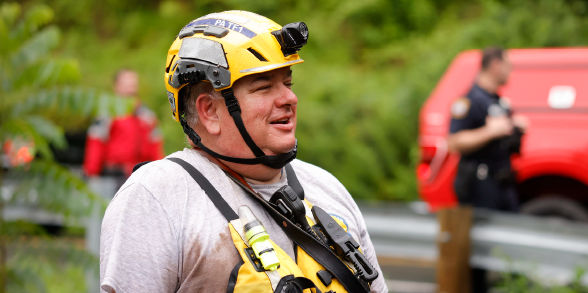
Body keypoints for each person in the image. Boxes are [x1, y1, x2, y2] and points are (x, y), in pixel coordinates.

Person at [99, 10, 387, 293]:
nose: (289, 98)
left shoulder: (326, 188)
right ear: (209, 111)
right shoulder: (157, 199)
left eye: (287, 83)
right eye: (264, 87)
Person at [448, 47, 527, 293]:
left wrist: (515, 128)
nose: (510, 70)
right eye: (507, 65)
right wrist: (490, 131)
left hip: (503, 182)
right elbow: (454, 142)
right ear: (494, 65)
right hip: (480, 184)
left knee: (515, 241)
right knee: (480, 250)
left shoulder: (499, 101)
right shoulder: (469, 100)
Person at [83, 69, 164, 183]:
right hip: (112, 177)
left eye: (133, 84)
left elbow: (156, 146)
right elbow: (96, 143)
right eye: (126, 84)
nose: (131, 88)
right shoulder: (106, 114)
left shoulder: (147, 115)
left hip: (142, 177)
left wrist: (160, 174)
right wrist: (91, 174)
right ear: (116, 86)